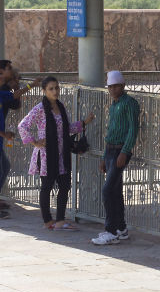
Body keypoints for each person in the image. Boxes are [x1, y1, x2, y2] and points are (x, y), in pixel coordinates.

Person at [18, 76, 95, 230]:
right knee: (47, 186)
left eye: (57, 88)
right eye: (51, 88)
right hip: (46, 155)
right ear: (44, 91)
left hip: (61, 154)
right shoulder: (40, 108)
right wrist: (35, 142)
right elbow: (22, 125)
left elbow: (66, 129)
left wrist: (84, 123)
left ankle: (60, 220)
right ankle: (47, 221)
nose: (55, 91)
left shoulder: (61, 106)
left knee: (65, 185)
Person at [92, 71, 140, 246]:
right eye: (110, 87)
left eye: (115, 86)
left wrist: (125, 152)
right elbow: (111, 131)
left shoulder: (129, 103)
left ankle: (111, 231)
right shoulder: (114, 105)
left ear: (122, 86)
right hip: (111, 150)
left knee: (107, 190)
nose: (112, 90)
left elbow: (133, 129)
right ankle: (121, 228)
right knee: (115, 191)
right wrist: (105, 157)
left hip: (120, 150)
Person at [0, 62, 34, 219]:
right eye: (9, 69)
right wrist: (32, 85)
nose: (12, 71)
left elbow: (15, 102)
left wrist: (17, 87)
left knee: (5, 167)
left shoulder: (4, 90)